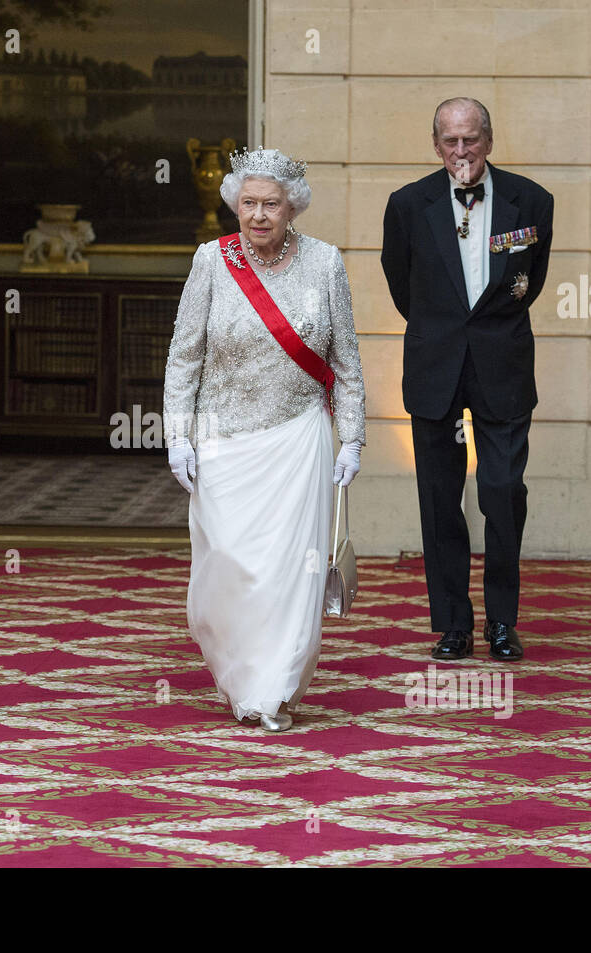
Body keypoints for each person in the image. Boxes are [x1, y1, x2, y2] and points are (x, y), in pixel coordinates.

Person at [163, 148, 366, 732]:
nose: (258, 215)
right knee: (227, 568)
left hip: (299, 440)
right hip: (224, 440)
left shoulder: (326, 263)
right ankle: (239, 672)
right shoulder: (211, 260)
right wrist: (179, 435)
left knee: (289, 573)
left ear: (292, 207)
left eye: (270, 204)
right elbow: (185, 357)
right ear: (235, 204)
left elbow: (346, 362)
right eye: (248, 203)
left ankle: (271, 688)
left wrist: (350, 438)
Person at [380, 97, 554, 662]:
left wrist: (484, 329)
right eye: (451, 141)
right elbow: (401, 286)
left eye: (471, 139)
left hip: (502, 365)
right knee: (439, 498)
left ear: (490, 139)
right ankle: (453, 622)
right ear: (436, 145)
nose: (462, 151)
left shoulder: (533, 201)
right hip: (436, 368)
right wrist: (443, 329)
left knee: (502, 493)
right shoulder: (407, 205)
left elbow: (533, 279)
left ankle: (503, 622)